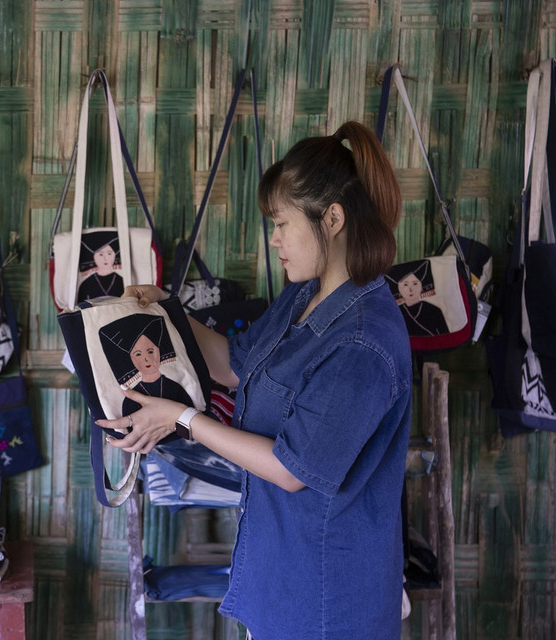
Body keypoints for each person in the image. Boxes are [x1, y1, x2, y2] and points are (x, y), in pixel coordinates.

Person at [98, 120, 412, 639]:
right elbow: (233, 363)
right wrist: (168, 313)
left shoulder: (362, 342)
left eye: (283, 223)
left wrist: (182, 418)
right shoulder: (303, 296)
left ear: (332, 219)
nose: (275, 238)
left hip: (327, 602)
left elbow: (291, 468)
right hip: (281, 580)